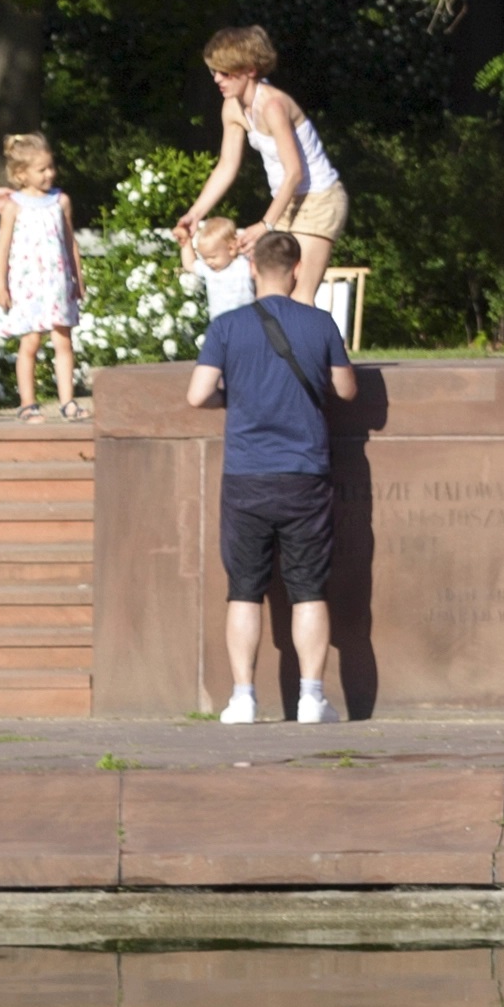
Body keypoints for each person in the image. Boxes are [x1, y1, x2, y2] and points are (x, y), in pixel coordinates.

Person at [185, 226, 356, 724]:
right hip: (305, 475)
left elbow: (197, 395)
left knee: (244, 589)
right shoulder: (320, 324)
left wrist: (233, 395)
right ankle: (311, 698)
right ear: (299, 269)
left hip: (245, 476)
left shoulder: (227, 326)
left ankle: (242, 698)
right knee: (308, 589)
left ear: (253, 268)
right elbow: (345, 390)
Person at [172, 25, 348, 294]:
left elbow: (294, 173)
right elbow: (227, 166)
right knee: (269, 294)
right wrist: (194, 215)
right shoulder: (232, 107)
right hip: (287, 202)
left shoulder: (273, 106)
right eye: (214, 71)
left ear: (250, 70)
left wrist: (266, 225)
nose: (218, 79)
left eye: (226, 72)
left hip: (320, 199)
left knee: (300, 296)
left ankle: (323, 337)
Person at [0, 134, 86, 419]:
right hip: (27, 287)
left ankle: (67, 401)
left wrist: (78, 278)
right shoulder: (13, 206)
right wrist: (0, 286)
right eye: (42, 169)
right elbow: (3, 249)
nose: (49, 174)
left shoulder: (60, 201)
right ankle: (27, 403)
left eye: (51, 167)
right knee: (30, 343)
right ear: (21, 174)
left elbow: (71, 243)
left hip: (56, 285)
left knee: (63, 341)